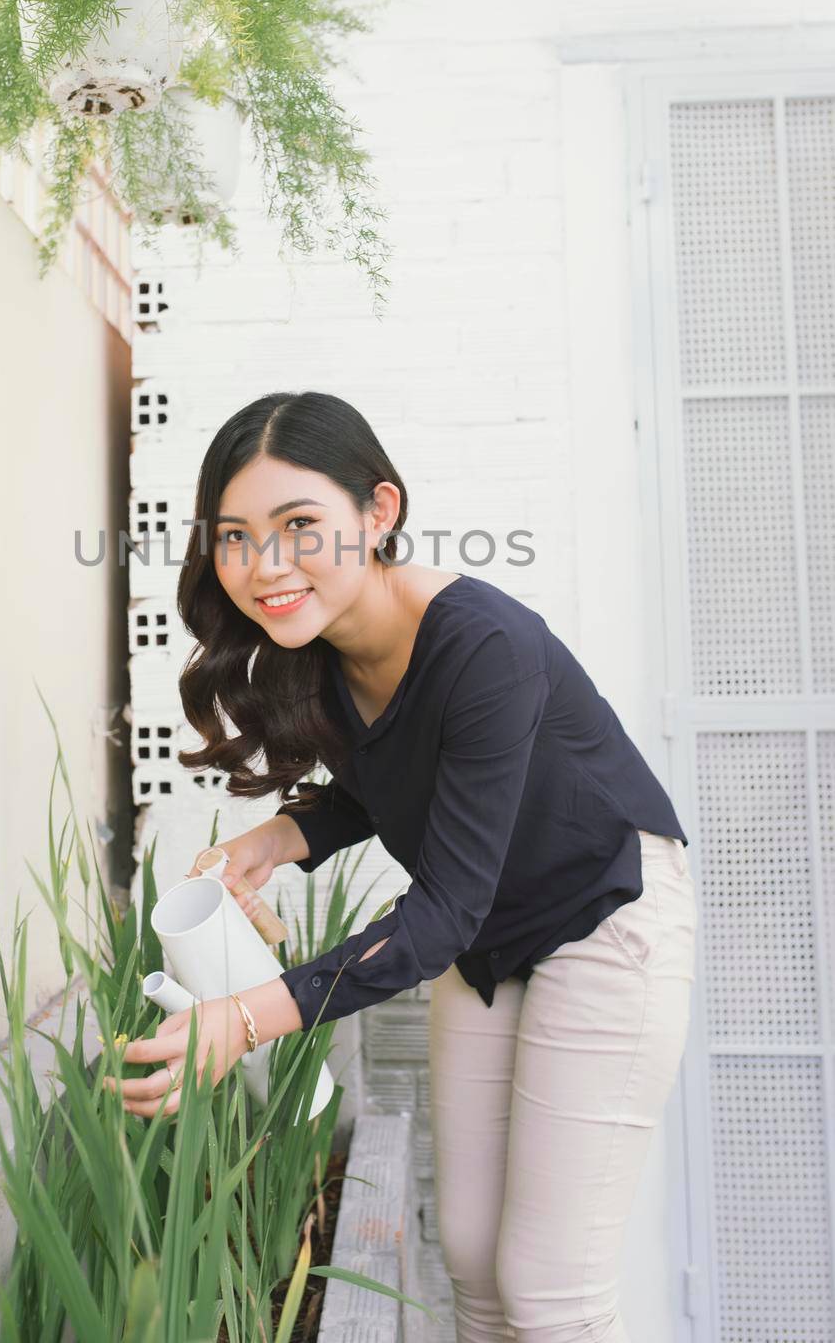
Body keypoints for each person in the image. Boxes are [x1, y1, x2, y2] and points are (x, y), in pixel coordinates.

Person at [111, 390, 697, 1343]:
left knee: (549, 1288)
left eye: (300, 525)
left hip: (607, 915)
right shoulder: (320, 645)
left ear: (377, 512)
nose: (264, 567)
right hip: (491, 936)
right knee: (469, 1253)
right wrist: (271, 843)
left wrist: (246, 1019)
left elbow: (440, 912)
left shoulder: (483, 645)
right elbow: (379, 779)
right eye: (234, 537)